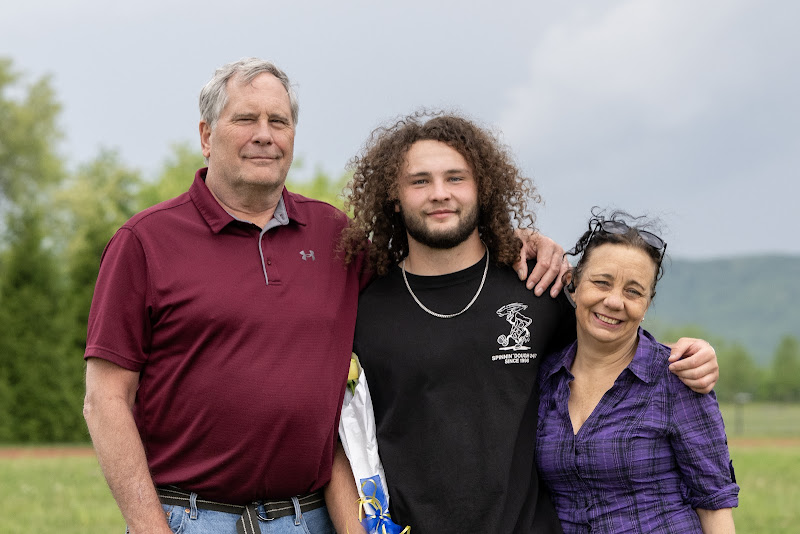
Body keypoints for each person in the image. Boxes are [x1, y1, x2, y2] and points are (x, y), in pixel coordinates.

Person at [82, 60, 563, 534]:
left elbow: (431, 262)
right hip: (190, 517)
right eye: (246, 119)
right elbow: (104, 400)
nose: (265, 135)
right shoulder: (145, 242)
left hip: (307, 519)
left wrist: (513, 242)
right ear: (206, 136)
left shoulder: (336, 238)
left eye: (279, 121)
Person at [334, 112, 720, 533]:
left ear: (482, 188)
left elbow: (612, 350)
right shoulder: (364, 311)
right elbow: (341, 439)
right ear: (394, 196)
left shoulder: (536, 287)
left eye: (456, 178)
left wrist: (692, 358)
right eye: (420, 181)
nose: (439, 194)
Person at [536, 211, 738, 533]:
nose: (614, 301)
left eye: (633, 291)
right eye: (602, 282)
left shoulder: (677, 378)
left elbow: (715, 506)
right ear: (573, 285)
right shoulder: (545, 378)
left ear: (646, 305)